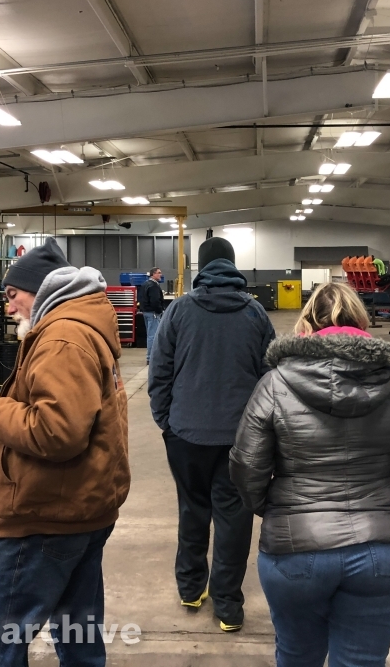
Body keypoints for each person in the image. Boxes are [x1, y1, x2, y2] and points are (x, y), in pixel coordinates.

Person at [0, 237, 131, 665]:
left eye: (12, 295)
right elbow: (38, 412)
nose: (8, 307)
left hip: (46, 514)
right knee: (78, 634)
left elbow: (56, 432)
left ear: (42, 290)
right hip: (78, 505)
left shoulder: (62, 338)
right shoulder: (74, 327)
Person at [230, 282, 390, 666]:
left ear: (306, 325)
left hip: (295, 550)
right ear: (362, 322)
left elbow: (246, 466)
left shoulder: (275, 383)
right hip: (381, 551)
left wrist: (276, 508)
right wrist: (385, 497)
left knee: (297, 655)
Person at [148, 237, 275, 633]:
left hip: (186, 433)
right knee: (234, 519)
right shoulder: (255, 313)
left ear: (201, 268)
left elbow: (160, 369)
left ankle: (190, 589)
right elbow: (270, 378)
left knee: (192, 509)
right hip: (241, 438)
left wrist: (165, 420)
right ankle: (228, 606)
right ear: (233, 266)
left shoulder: (179, 310)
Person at [138, 266, 166, 364]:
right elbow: (155, 301)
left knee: (150, 335)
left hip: (146, 312)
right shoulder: (153, 286)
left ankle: (150, 357)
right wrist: (160, 310)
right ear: (153, 274)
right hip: (153, 313)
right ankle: (151, 358)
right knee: (153, 336)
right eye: (159, 272)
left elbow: (141, 298)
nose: (160, 274)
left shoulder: (145, 284)